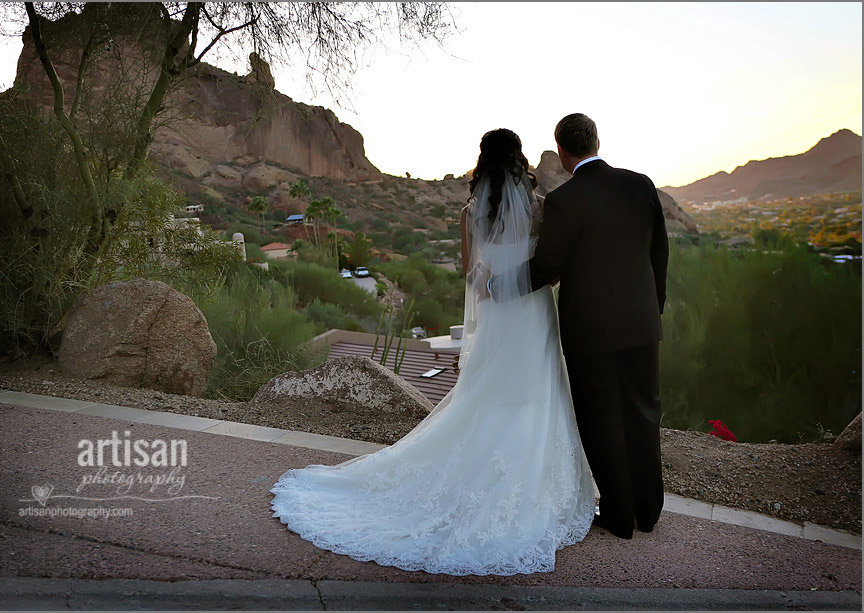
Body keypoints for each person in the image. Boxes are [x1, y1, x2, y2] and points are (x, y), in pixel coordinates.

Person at [269, 128, 595, 576]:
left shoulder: (469, 212)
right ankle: (529, 475)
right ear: (519, 160)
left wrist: (491, 273)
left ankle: (477, 468)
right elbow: (548, 267)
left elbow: (470, 272)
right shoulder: (539, 209)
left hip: (498, 315)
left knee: (488, 393)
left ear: (483, 161)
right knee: (536, 387)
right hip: (531, 311)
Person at [493, 113, 668, 539]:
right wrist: (653, 308)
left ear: (563, 153)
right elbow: (658, 253)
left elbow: (548, 267)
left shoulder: (564, 201)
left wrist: (500, 286)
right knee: (644, 412)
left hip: (591, 334)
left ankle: (619, 515)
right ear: (597, 142)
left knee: (601, 419)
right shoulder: (640, 184)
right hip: (643, 325)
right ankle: (649, 511)